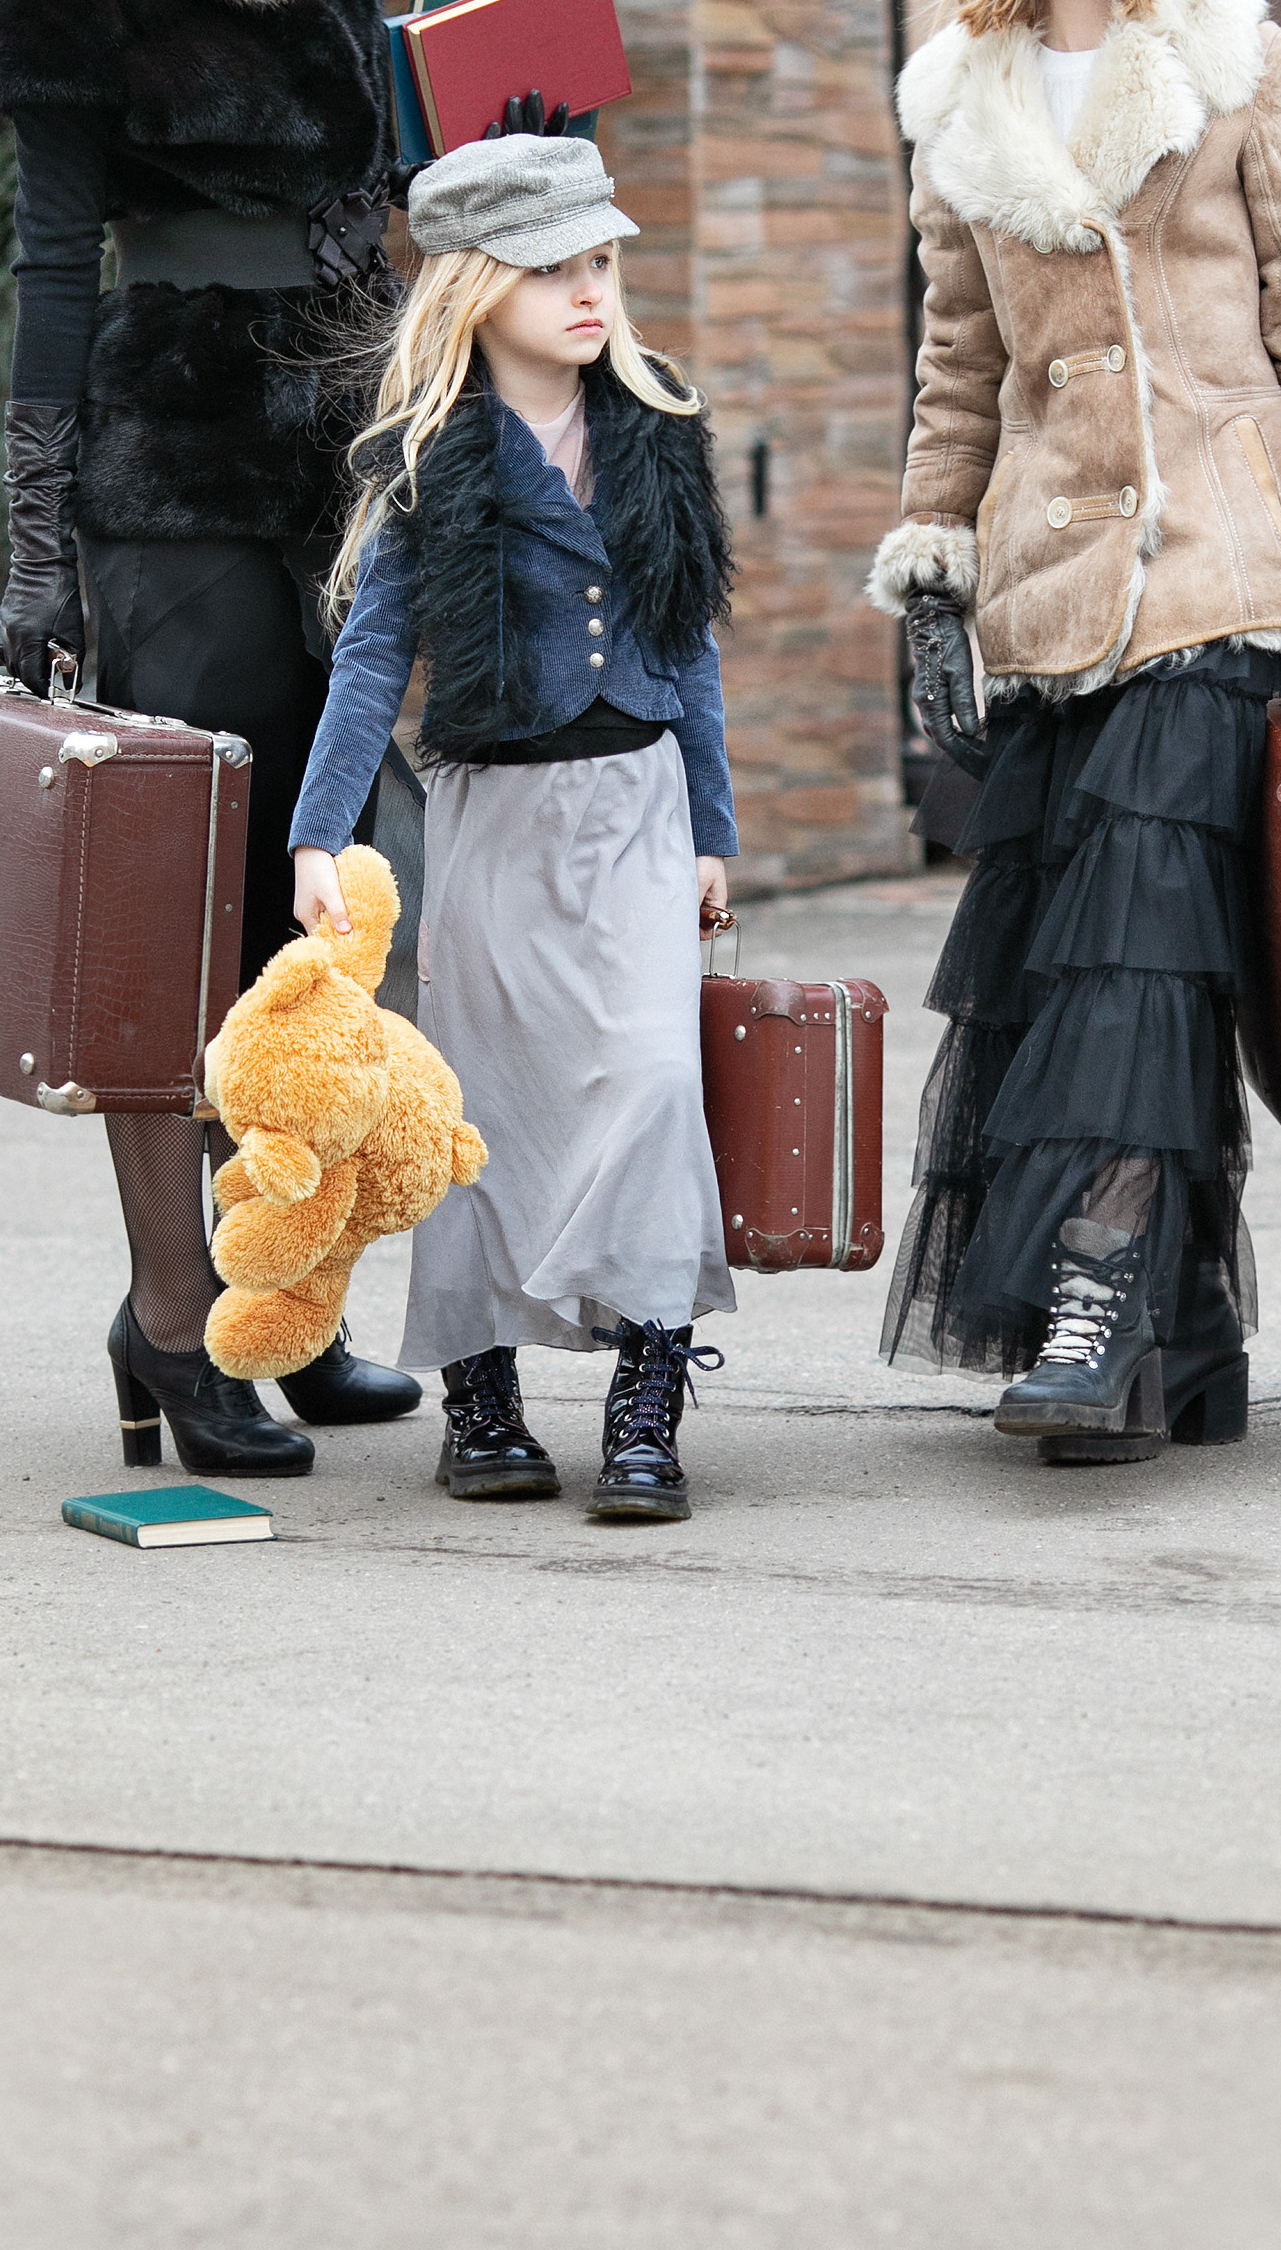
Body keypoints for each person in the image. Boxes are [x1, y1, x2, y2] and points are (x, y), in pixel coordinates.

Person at [868, 0, 1281, 1467]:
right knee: (1093, 963)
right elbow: (960, 367)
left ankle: (1101, 1292)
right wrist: (935, 575)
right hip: (1054, 579)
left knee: (1144, 952)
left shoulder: (1233, 60)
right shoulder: (958, 98)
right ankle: (1181, 1349)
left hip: (1219, 555)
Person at [0, 0, 420, 1475]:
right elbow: (53, 272)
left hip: (345, 461)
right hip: (176, 465)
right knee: (187, 909)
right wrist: (40, 546)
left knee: (321, 914)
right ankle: (175, 1324)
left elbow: (390, 197)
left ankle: (278, 1292)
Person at [287, 134, 739, 1525]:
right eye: (554, 269)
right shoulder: (437, 456)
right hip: (492, 814)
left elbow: (693, 647)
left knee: (655, 1081)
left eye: (600, 260)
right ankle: (480, 1398)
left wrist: (716, 826)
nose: (589, 291)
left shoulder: (660, 427)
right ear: (479, 286)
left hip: (640, 810)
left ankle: (650, 1389)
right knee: (483, 1107)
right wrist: (321, 837)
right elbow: (373, 662)